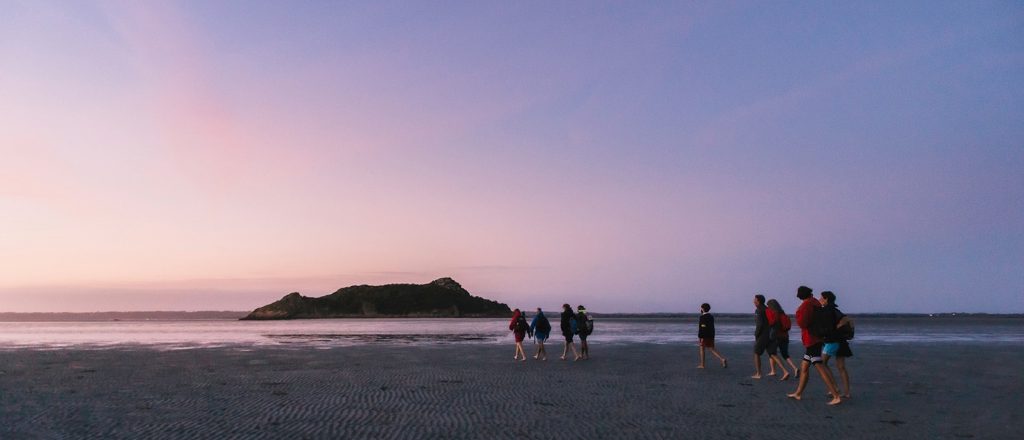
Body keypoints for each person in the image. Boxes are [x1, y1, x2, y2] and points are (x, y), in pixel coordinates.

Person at [787, 286, 842, 405]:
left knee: (819, 366)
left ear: (801, 294)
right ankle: (798, 393)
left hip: (812, 339)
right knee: (805, 367)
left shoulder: (806, 305)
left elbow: (803, 323)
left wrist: (798, 312)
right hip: (817, 337)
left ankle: (836, 395)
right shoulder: (815, 302)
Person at [819, 291, 853, 399]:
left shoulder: (827, 311)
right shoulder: (835, 310)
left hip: (832, 341)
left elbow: (828, 327)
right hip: (841, 341)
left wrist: (834, 329)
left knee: (822, 363)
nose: (820, 300)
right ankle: (846, 392)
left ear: (826, 299)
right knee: (841, 367)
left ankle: (834, 387)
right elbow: (848, 320)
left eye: (821, 298)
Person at [765, 299, 799, 380]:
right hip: (785, 336)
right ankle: (795, 368)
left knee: (772, 352)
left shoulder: (774, 314)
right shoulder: (784, 314)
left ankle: (784, 371)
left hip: (776, 336)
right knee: (785, 354)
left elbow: (772, 323)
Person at [697, 303, 728, 368]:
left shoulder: (702, 317)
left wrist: (700, 337)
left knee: (702, 349)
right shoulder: (711, 316)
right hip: (711, 335)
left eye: (701, 308)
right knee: (712, 349)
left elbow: (702, 327)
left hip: (704, 336)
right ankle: (722, 359)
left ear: (702, 308)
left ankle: (702, 365)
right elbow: (711, 327)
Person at [751, 294, 770, 379]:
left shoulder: (759, 310)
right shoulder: (767, 309)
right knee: (772, 353)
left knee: (756, 352)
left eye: (755, 299)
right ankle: (786, 370)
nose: (753, 301)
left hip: (763, 334)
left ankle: (758, 373)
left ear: (758, 301)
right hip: (770, 333)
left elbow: (760, 324)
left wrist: (756, 334)